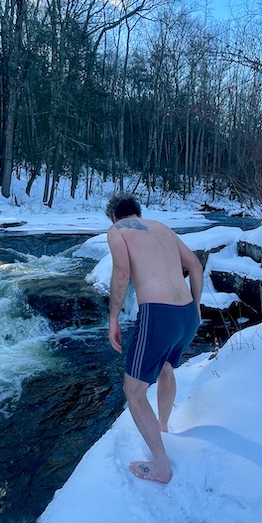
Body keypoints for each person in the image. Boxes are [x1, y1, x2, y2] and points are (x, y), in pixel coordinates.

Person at [105, 192, 202, 484]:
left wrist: (113, 318)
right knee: (163, 367)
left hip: (158, 314)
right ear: (138, 212)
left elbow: (122, 274)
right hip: (186, 313)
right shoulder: (161, 226)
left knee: (133, 391)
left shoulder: (117, 231)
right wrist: (196, 305)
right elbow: (195, 265)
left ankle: (161, 465)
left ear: (113, 216)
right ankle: (162, 428)